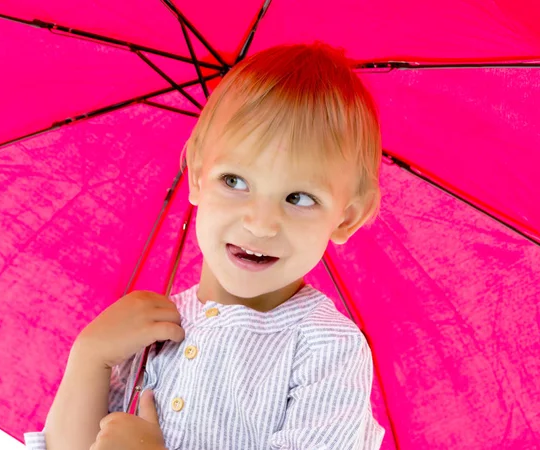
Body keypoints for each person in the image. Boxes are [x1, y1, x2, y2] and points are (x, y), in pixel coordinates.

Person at [23, 42, 386, 450]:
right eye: (234, 181)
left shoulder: (325, 349)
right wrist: (90, 358)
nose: (260, 223)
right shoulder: (148, 327)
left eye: (299, 198)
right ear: (196, 174)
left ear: (348, 216)